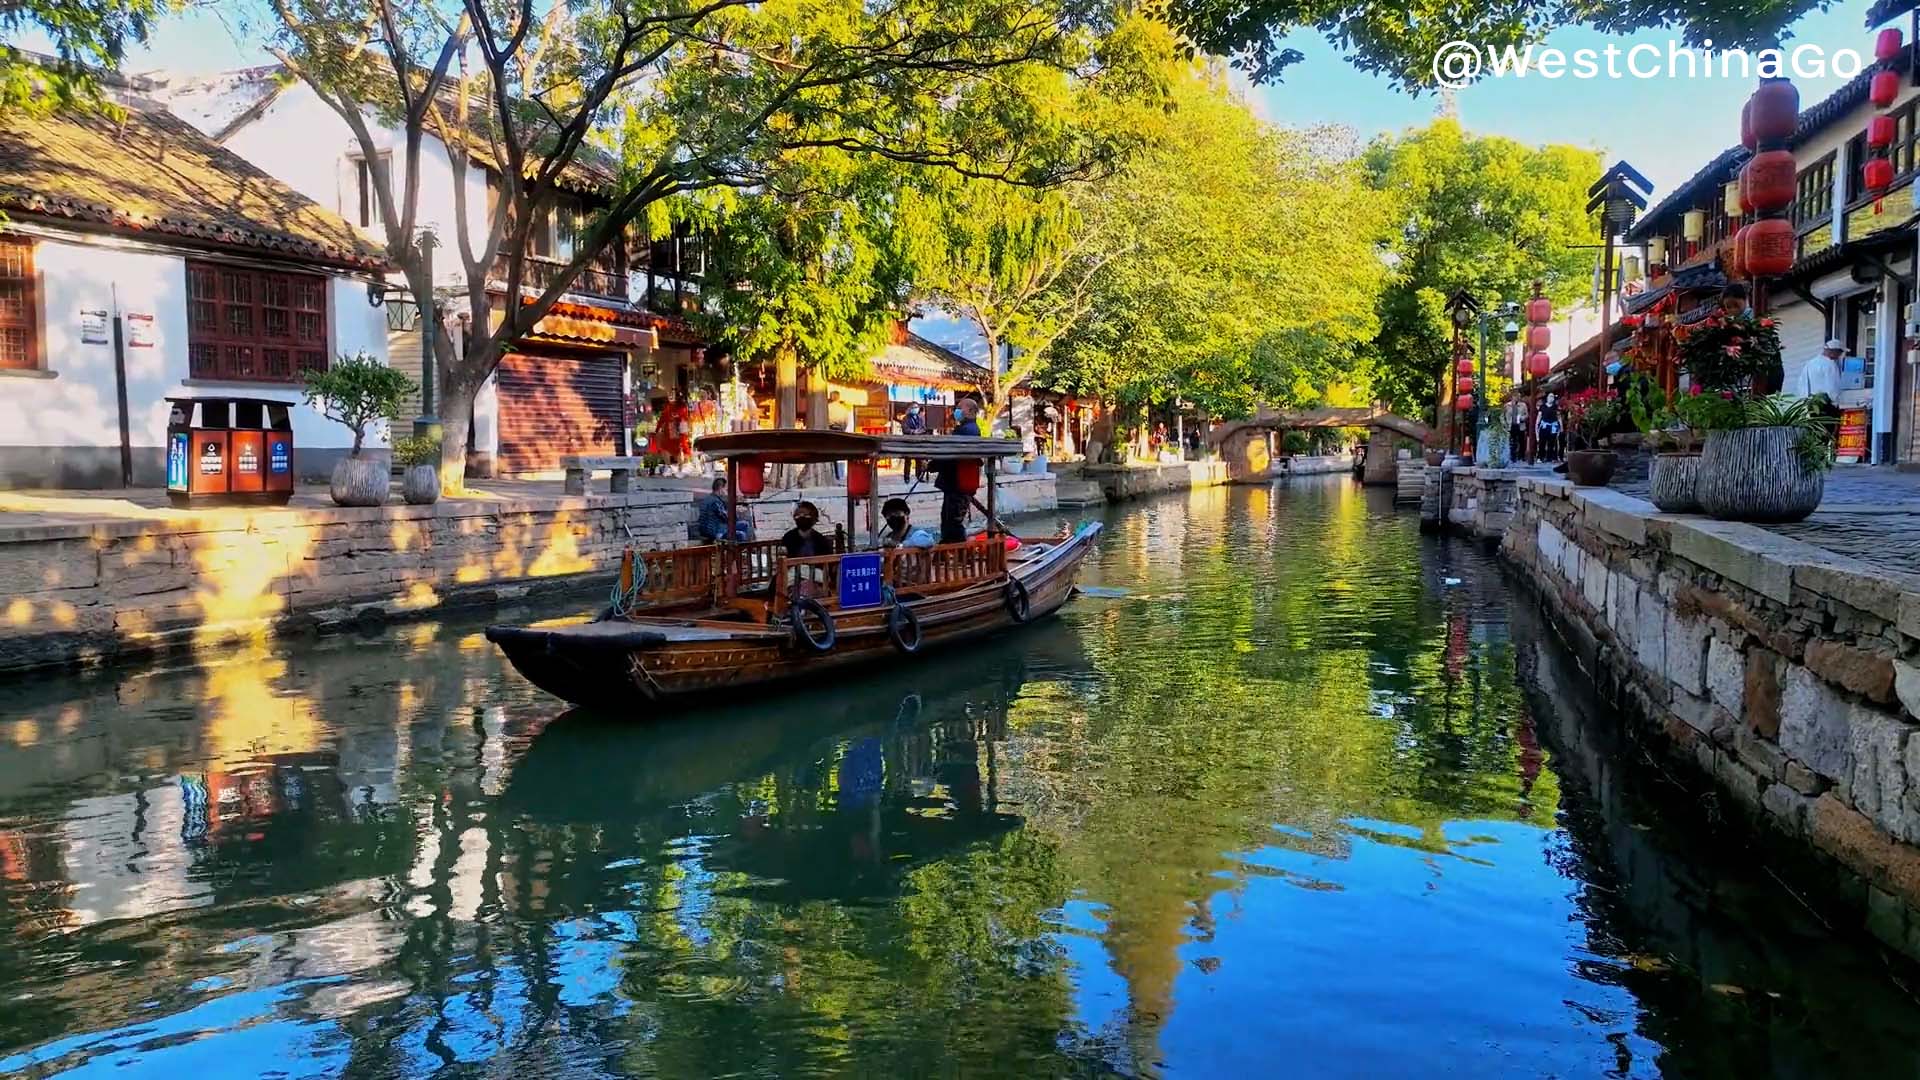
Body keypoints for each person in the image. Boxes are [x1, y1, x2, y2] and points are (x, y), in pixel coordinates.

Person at [934, 398, 983, 543]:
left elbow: (951, 454)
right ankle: (949, 551)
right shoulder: (965, 429)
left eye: (959, 408)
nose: (956, 410)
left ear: (969, 411)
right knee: (949, 519)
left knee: (953, 521)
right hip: (956, 481)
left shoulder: (968, 430)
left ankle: (957, 553)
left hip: (959, 481)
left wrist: (934, 464)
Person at [1793, 338, 1844, 441]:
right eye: (1840, 353)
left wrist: (1805, 401)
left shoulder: (1811, 363)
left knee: (1816, 431)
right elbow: (1833, 387)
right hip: (1827, 403)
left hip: (1813, 403)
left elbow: (1802, 384)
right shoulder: (1831, 365)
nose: (1840, 356)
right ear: (1833, 352)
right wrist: (1837, 403)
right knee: (1828, 432)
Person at [696, 478, 751, 542]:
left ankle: (736, 547)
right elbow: (727, 518)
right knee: (741, 534)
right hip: (715, 532)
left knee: (744, 524)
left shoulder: (708, 499)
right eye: (726, 489)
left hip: (708, 529)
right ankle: (736, 550)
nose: (727, 491)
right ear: (720, 488)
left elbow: (721, 514)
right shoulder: (715, 501)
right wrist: (736, 511)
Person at [899, 401, 928, 480]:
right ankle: (906, 476)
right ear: (910, 409)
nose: (915, 409)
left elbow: (924, 428)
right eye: (913, 407)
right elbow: (905, 428)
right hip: (908, 442)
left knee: (918, 459)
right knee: (908, 460)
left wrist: (919, 431)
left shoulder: (920, 418)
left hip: (918, 442)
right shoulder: (905, 418)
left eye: (916, 407)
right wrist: (913, 431)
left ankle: (919, 476)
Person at [1537, 393, 1561, 462]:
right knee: (1542, 443)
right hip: (1544, 426)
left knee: (1552, 443)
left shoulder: (1556, 407)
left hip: (1553, 426)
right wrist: (1537, 424)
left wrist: (1560, 426)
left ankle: (1549, 457)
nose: (1551, 398)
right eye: (1550, 396)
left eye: (1552, 396)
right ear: (1547, 398)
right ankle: (1540, 457)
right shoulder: (1542, 406)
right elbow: (1539, 416)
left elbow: (1559, 417)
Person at [1507, 395, 1529, 464]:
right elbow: (1503, 415)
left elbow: (1527, 414)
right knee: (1512, 442)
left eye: (1517, 397)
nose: (1516, 398)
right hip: (1511, 425)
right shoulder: (1507, 405)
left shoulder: (1523, 405)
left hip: (1520, 425)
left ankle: (1521, 456)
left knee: (1521, 441)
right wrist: (1505, 423)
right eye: (1514, 396)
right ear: (1512, 397)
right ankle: (1512, 457)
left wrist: (1523, 418)